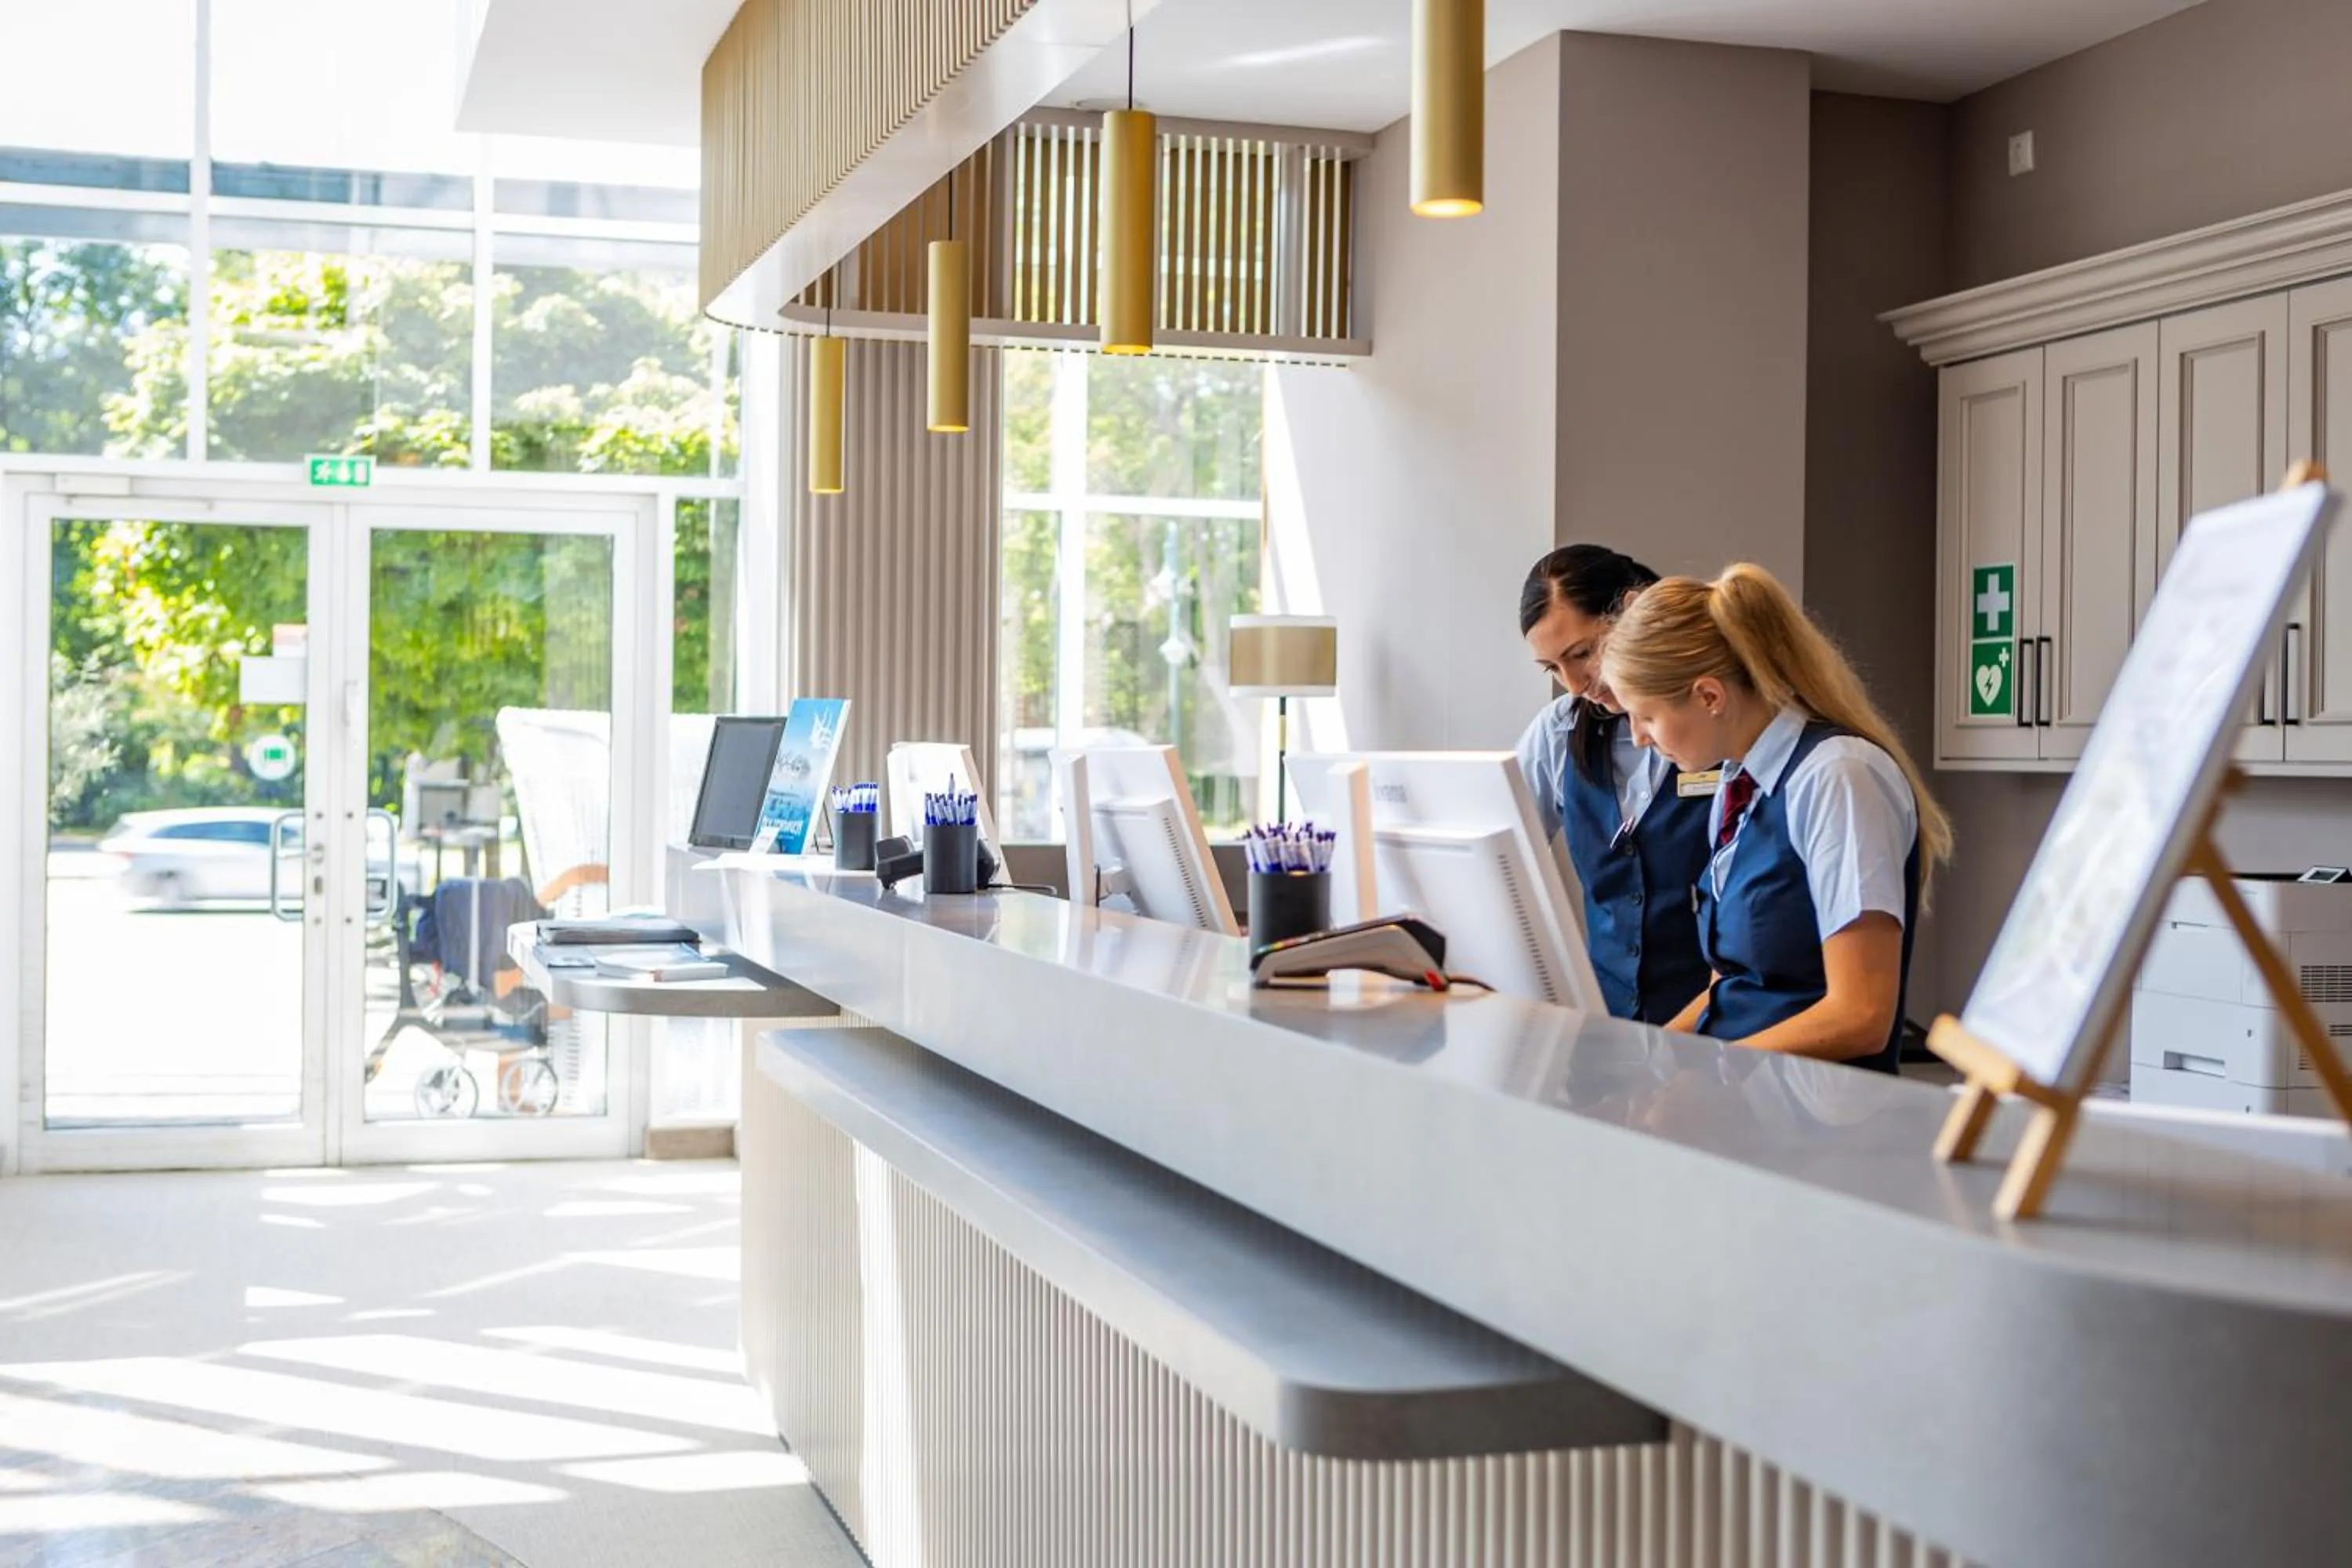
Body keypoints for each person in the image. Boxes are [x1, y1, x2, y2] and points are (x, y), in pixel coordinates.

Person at [1598, 563, 1953, 1072]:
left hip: (1812, 1120)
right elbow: (1733, 984)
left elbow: (1862, 1015)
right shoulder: (1737, 785)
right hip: (1746, 1098)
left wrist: (1709, 1073)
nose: (1638, 738)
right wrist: (1647, 1062)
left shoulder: (1837, 778)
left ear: (1709, 696)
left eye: (1646, 716)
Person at [1514, 545, 1713, 1025]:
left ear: (1633, 611)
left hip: (1718, 1037)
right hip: (1606, 1032)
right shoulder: (1558, 732)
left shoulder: (1714, 725)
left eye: (1583, 653)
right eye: (1553, 669)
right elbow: (1506, 859)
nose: (1575, 684)